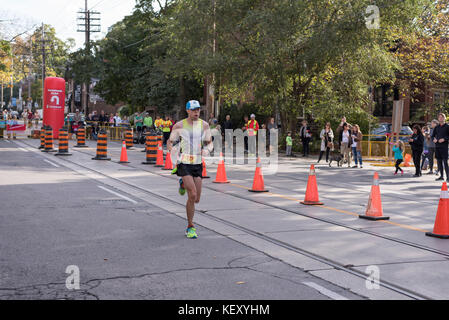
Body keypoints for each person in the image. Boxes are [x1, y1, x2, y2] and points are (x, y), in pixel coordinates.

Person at [167, 100, 213, 239]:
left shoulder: (204, 125)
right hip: (184, 162)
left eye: (198, 110)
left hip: (197, 163)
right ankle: (190, 226)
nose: (196, 112)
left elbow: (209, 143)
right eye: (193, 110)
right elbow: (169, 142)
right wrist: (172, 149)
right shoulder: (179, 125)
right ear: (187, 111)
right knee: (191, 194)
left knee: (197, 199)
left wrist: (207, 150)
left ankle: (182, 183)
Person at [432, 113, 449, 181]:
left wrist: (444, 139)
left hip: (444, 146)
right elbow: (432, 135)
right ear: (438, 119)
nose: (440, 118)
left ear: (444, 118)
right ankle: (441, 176)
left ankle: (448, 177)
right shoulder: (437, 127)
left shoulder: (447, 126)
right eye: (439, 117)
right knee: (439, 162)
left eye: (442, 117)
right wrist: (434, 139)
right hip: (437, 146)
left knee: (445, 162)